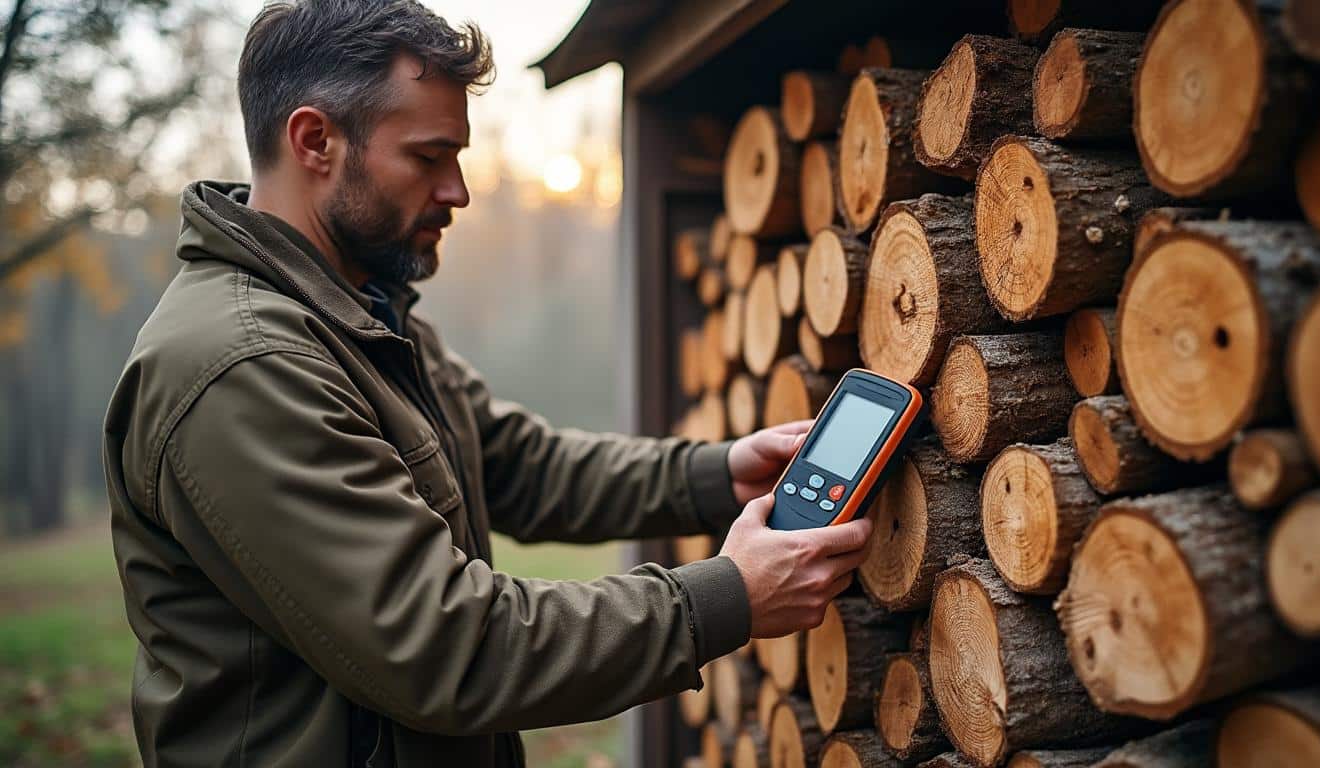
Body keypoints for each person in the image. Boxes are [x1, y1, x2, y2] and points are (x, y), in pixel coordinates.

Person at [102, 2, 874, 766]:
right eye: (429, 156)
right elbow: (444, 647)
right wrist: (722, 599)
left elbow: (521, 463)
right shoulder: (247, 367)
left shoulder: (363, 315)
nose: (459, 192)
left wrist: (719, 472)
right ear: (315, 141)